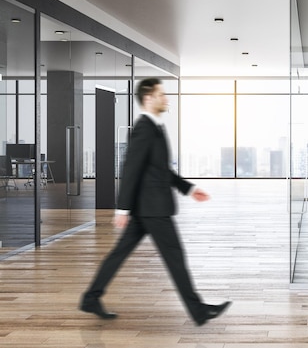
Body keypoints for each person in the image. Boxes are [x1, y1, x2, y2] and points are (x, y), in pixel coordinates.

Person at [80, 77, 230, 326]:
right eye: (161, 94)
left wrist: (189, 188)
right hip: (152, 208)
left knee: (120, 253)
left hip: (146, 207)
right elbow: (130, 169)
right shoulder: (144, 129)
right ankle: (199, 311)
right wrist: (122, 208)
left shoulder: (155, 128)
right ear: (148, 98)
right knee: (175, 256)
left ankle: (91, 298)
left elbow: (160, 170)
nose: (166, 98)